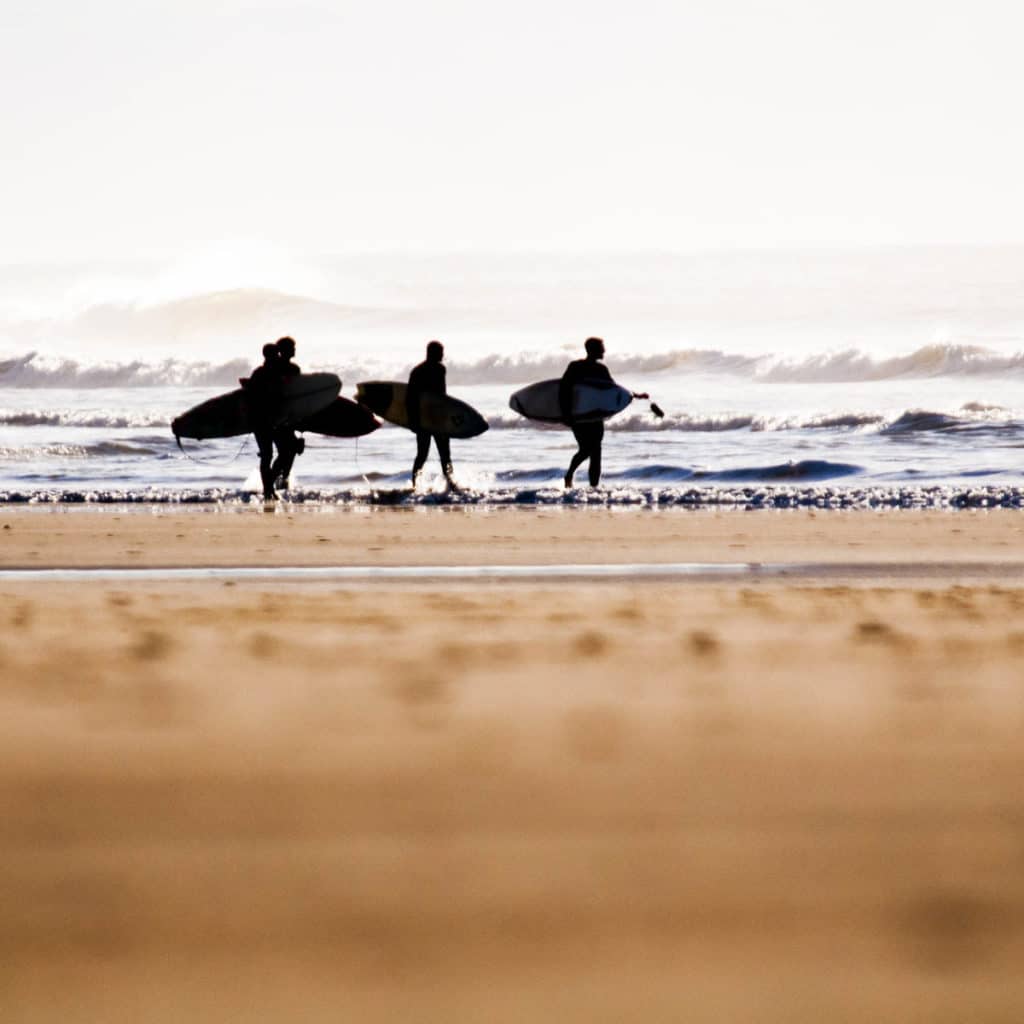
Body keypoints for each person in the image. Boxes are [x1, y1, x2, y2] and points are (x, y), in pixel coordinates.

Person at [559, 337, 648, 488]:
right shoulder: (576, 367)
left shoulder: (601, 369)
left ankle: (594, 488)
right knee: (586, 449)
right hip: (580, 415)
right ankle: (569, 474)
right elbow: (564, 390)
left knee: (596, 453)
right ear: (593, 350)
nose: (604, 351)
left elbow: (614, 389)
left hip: (595, 416)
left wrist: (634, 395)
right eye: (601, 348)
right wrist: (565, 413)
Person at [243, 336, 304, 501]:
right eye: (292, 347)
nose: (295, 350)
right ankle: (270, 489)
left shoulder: (284, 370)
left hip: (278, 420)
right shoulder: (269, 371)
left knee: (283, 453)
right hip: (267, 420)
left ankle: (271, 487)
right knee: (272, 454)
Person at [406, 340, 455, 488]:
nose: (442, 355)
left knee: (423, 455)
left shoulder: (417, 371)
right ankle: (450, 484)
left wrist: (413, 420)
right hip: (434, 419)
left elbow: (410, 399)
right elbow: (442, 395)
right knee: (443, 455)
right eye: (440, 353)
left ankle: (415, 485)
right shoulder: (439, 370)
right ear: (432, 353)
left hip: (424, 419)